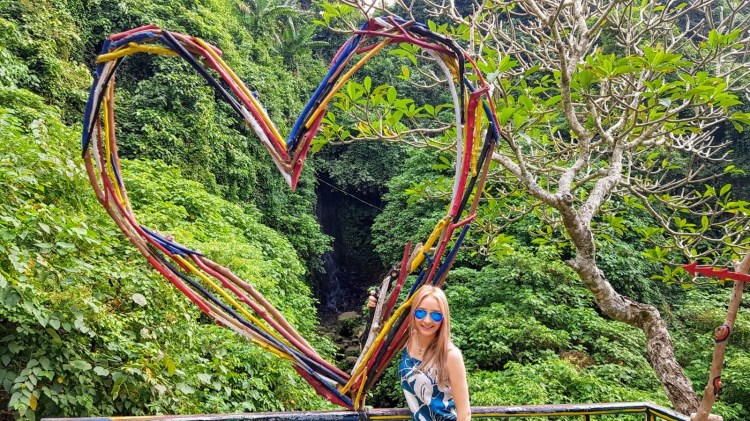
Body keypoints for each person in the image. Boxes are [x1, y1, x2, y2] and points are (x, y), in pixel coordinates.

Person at [399, 285, 470, 421]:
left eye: (436, 315)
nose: (427, 320)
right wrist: (374, 308)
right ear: (413, 313)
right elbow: (376, 341)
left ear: (443, 318)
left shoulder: (450, 355)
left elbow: (465, 414)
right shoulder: (408, 340)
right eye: (421, 312)